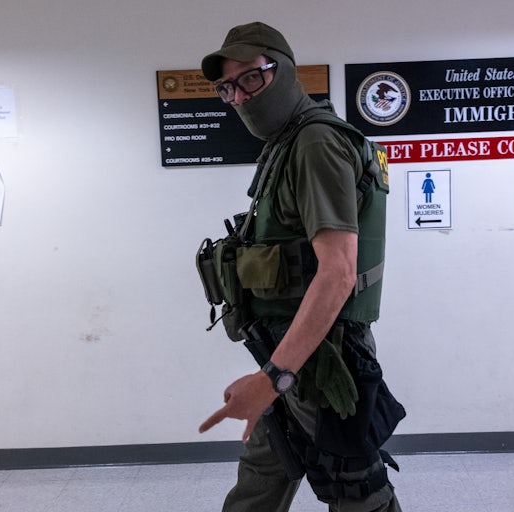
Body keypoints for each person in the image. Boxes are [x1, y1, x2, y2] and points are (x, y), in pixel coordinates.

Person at [197, 22, 404, 512]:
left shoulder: (315, 143)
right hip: (289, 351)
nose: (240, 97)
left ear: (285, 71)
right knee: (263, 477)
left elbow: (338, 272)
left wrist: (273, 379)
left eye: (251, 78)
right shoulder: (287, 143)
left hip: (322, 363)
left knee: (355, 488)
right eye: (227, 88)